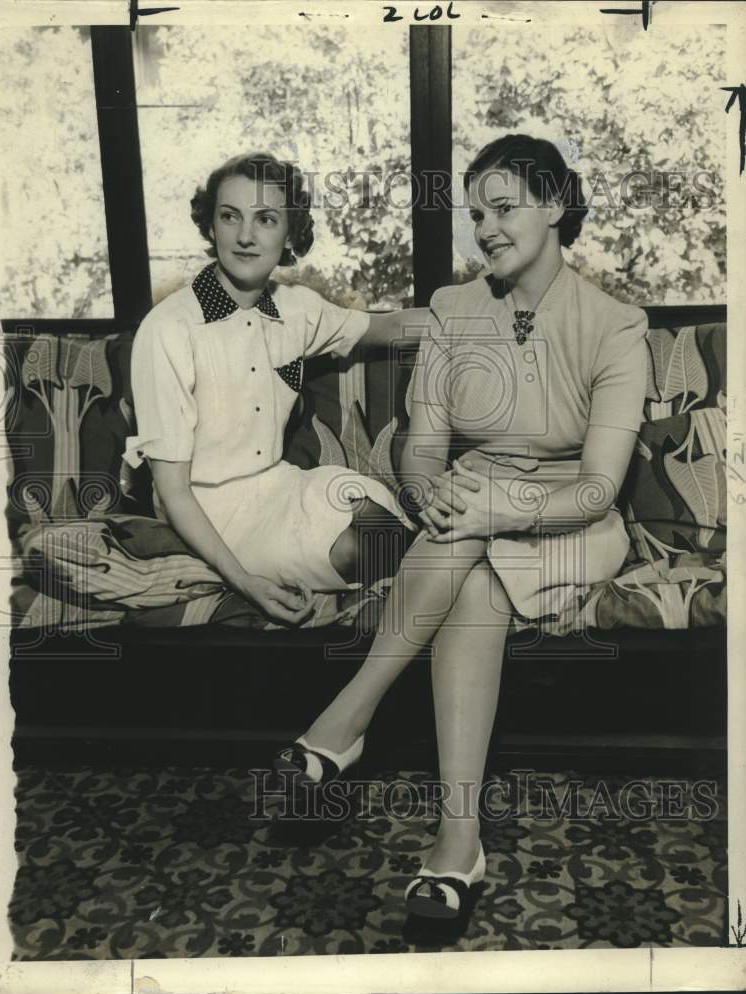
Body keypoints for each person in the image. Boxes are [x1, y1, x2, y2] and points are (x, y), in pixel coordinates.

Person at [274, 134, 649, 920]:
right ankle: (457, 842)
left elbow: (597, 490)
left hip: (572, 523)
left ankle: (344, 721)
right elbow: (422, 447)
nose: (485, 229)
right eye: (476, 213)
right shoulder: (453, 310)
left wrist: (491, 508)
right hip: (464, 518)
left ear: (552, 205)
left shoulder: (614, 326)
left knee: (469, 544)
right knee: (470, 573)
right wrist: (435, 495)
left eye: (504, 208)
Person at [123, 153, 428, 626]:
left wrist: (479, 313)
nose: (246, 236)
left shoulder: (296, 310)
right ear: (211, 227)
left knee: (381, 523)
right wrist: (244, 582)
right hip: (204, 508)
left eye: (266, 219)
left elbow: (384, 328)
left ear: (290, 235)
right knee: (356, 551)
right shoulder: (168, 329)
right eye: (230, 217)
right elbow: (174, 493)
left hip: (278, 484)